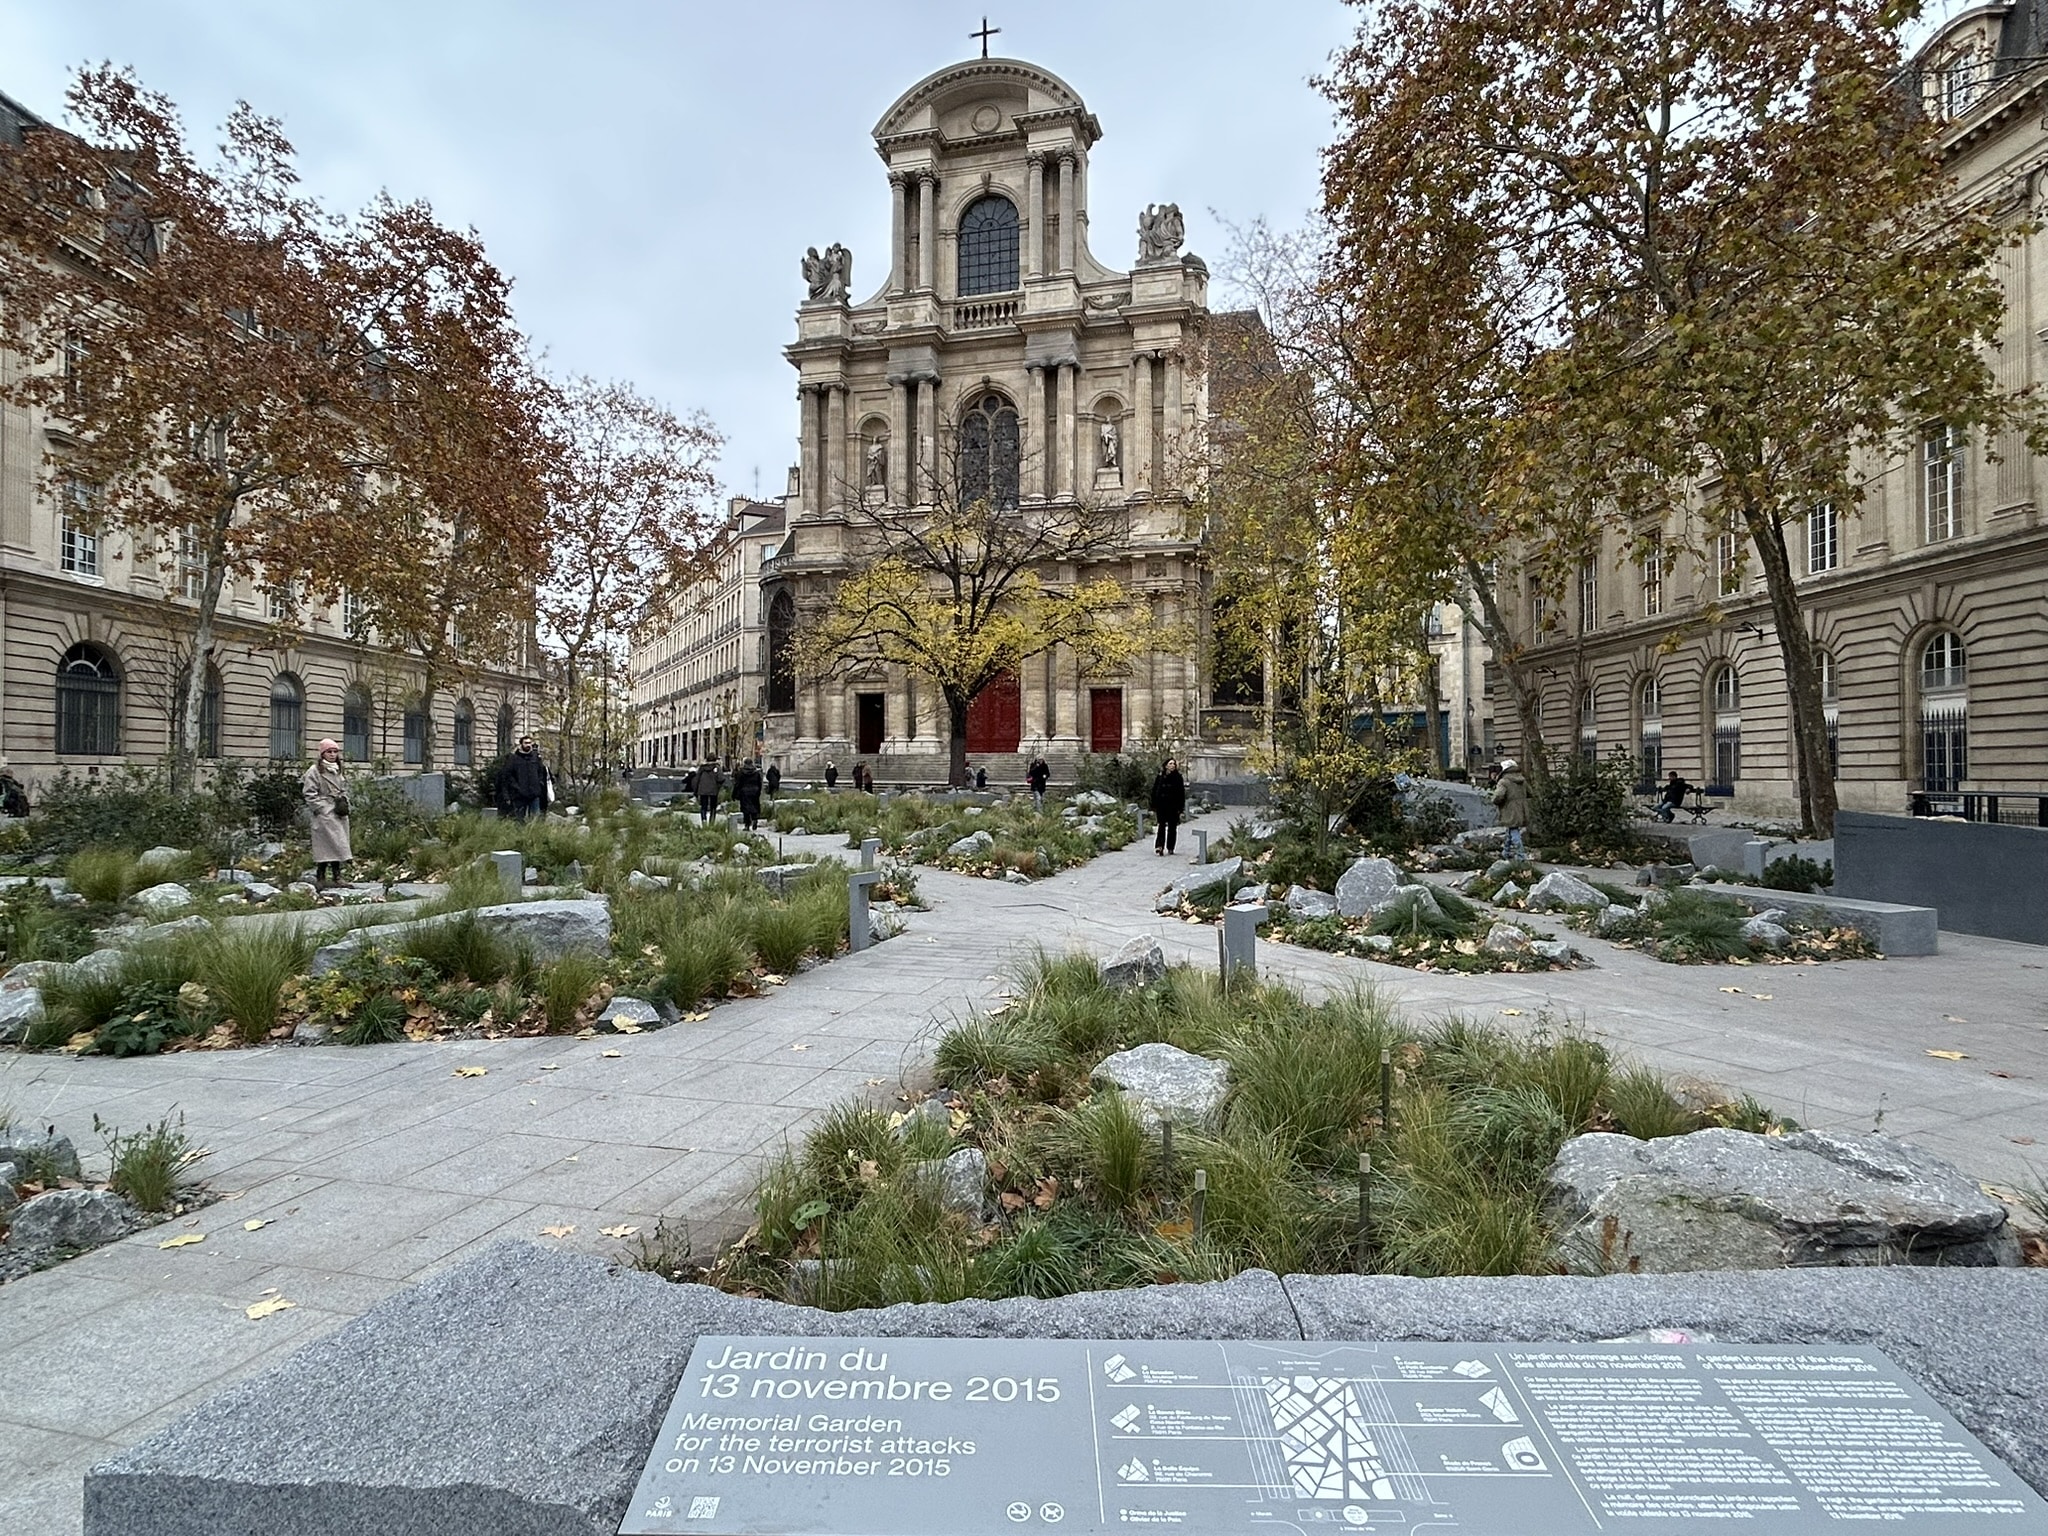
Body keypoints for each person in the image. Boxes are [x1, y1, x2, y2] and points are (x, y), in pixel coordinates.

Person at [301, 739, 353, 888]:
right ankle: (321, 877)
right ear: (322, 753)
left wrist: (343, 801)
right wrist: (321, 808)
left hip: (338, 811)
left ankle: (337, 877)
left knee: (338, 844)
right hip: (324, 813)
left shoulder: (337, 769)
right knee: (324, 847)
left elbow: (343, 787)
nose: (332, 754)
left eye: (335, 751)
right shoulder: (314, 771)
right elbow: (309, 793)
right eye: (329, 752)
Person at [498, 736, 552, 822]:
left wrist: (539, 784)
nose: (528, 745)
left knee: (536, 819)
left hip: (534, 793)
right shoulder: (514, 759)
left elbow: (541, 772)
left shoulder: (535, 758)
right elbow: (507, 776)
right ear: (521, 744)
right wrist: (515, 787)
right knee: (519, 819)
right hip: (520, 795)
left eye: (530, 743)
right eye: (526, 743)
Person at [1492, 757, 1529, 856]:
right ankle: (1506, 852)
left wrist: (1495, 801)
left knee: (1513, 831)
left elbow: (1499, 796)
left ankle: (1521, 855)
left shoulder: (1504, 782)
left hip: (1509, 809)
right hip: (1522, 809)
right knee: (1511, 829)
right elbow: (1530, 793)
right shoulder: (1522, 780)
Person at [1150, 756, 1186, 856]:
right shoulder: (1160, 776)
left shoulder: (1178, 777)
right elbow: (1155, 790)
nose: (1172, 765)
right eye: (1170, 764)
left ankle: (1170, 847)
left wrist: (1180, 807)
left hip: (1173, 806)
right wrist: (1153, 804)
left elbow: (1181, 793)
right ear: (1166, 765)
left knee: (1172, 827)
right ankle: (1159, 846)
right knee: (1161, 826)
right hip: (1162, 805)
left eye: (1174, 764)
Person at [734, 756, 764, 832]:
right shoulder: (756, 772)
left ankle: (747, 824)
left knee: (746, 809)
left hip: (744, 792)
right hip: (755, 792)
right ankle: (755, 819)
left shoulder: (741, 772)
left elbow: (738, 783)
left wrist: (735, 794)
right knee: (755, 807)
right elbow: (759, 783)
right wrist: (759, 791)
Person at [694, 758, 723, 824]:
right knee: (713, 807)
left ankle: (704, 820)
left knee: (703, 806)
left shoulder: (702, 768)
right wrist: (718, 786)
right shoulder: (717, 768)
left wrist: (696, 791)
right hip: (713, 790)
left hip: (703, 789)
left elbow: (696, 779)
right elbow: (721, 779)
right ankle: (712, 821)